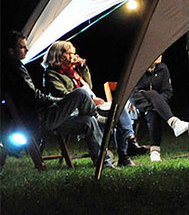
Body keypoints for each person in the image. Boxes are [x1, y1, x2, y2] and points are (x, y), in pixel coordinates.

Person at [2, 31, 117, 169]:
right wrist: (58, 100)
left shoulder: (14, 68)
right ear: (11, 51)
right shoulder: (15, 70)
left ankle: (105, 163)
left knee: (88, 121)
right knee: (80, 93)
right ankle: (97, 116)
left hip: (43, 117)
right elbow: (34, 97)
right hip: (38, 119)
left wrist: (82, 69)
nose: (27, 50)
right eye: (22, 47)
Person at [43, 40, 143, 166]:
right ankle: (121, 153)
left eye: (73, 53)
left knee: (119, 108)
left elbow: (88, 86)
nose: (73, 56)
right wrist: (90, 100)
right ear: (58, 55)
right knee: (108, 115)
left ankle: (128, 147)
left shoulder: (73, 72)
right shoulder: (51, 74)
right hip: (74, 111)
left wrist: (83, 67)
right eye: (69, 53)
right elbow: (64, 95)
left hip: (91, 106)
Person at [130, 55, 189, 162]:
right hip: (137, 107)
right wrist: (152, 106)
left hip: (156, 108)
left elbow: (167, 91)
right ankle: (174, 122)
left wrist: (158, 104)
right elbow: (132, 94)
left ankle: (155, 153)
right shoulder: (137, 68)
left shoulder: (163, 68)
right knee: (152, 95)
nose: (159, 55)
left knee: (154, 110)